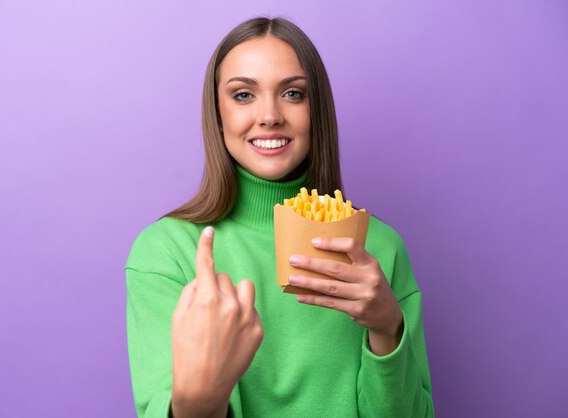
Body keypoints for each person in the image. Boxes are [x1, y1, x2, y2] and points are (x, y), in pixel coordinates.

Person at [126, 17, 434, 418]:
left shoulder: (380, 250)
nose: (270, 115)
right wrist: (200, 397)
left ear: (316, 110)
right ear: (217, 115)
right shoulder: (167, 253)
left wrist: (387, 329)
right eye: (243, 95)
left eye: (292, 93)